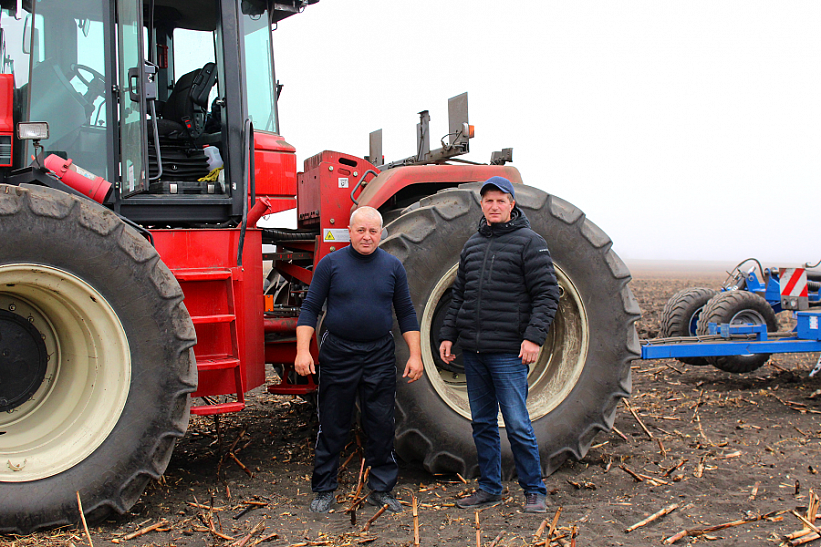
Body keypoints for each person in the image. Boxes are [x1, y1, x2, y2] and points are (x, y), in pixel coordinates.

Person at [438, 176, 560, 514]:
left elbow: (547, 295)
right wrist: (448, 335)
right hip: (474, 352)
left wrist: (534, 337)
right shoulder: (473, 245)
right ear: (482, 205)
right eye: (488, 201)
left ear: (512, 205)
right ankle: (489, 488)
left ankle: (534, 490)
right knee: (482, 424)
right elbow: (459, 296)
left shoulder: (529, 243)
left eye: (500, 201)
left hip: (508, 353)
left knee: (518, 423)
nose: (494, 206)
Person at [295, 206, 424, 514]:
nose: (367, 237)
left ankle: (382, 489)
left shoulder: (393, 267)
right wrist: (302, 351)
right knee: (333, 422)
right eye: (361, 230)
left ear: (381, 234)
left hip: (379, 353)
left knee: (380, 422)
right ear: (350, 232)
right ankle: (325, 488)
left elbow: (406, 313)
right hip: (338, 352)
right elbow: (310, 308)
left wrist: (416, 355)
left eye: (373, 231)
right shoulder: (331, 264)